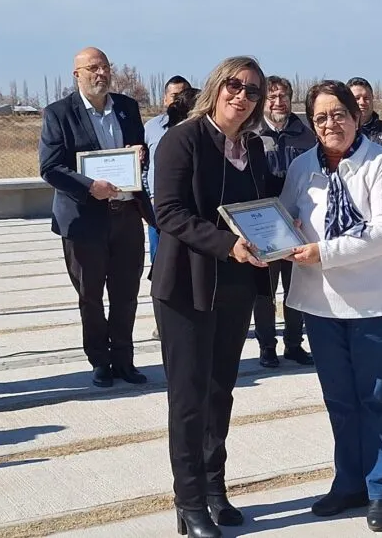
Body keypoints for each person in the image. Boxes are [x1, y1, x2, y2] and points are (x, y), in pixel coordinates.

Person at [280, 79, 382, 533]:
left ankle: (381, 491)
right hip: (320, 304)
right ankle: (348, 482)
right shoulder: (301, 168)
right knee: (339, 400)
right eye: (320, 117)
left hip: (374, 303)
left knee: (375, 398)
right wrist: (285, 232)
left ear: (356, 117)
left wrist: (325, 251)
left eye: (339, 114)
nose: (330, 123)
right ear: (311, 125)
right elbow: (283, 217)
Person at [151, 56, 272, 538]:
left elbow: (261, 208)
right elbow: (169, 212)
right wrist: (228, 244)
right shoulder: (183, 138)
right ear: (217, 86)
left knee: (221, 389)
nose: (242, 96)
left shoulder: (255, 148)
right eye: (235, 86)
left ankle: (214, 487)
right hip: (187, 285)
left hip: (237, 286)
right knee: (188, 397)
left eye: (253, 91)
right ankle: (189, 500)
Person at [39, 46, 155, 388]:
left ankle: (124, 358)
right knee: (90, 294)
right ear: (77, 75)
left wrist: (139, 155)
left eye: (104, 67)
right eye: (92, 68)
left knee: (126, 292)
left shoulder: (127, 107)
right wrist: (90, 186)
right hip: (83, 220)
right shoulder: (58, 113)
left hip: (126, 215)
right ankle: (99, 361)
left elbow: (137, 156)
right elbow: (50, 167)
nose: (100, 73)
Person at [253, 75, 316, 368]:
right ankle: (267, 347)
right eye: (272, 97)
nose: (278, 102)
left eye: (283, 97)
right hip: (264, 225)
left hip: (298, 224)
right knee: (264, 291)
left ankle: (294, 344)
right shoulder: (252, 133)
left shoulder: (305, 134)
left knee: (295, 289)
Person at [144, 75, 193, 263]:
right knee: (160, 260)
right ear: (165, 99)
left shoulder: (199, 128)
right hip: (158, 205)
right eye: (174, 95)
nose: (179, 99)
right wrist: (149, 197)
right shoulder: (151, 127)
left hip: (187, 206)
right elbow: (144, 166)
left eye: (183, 94)